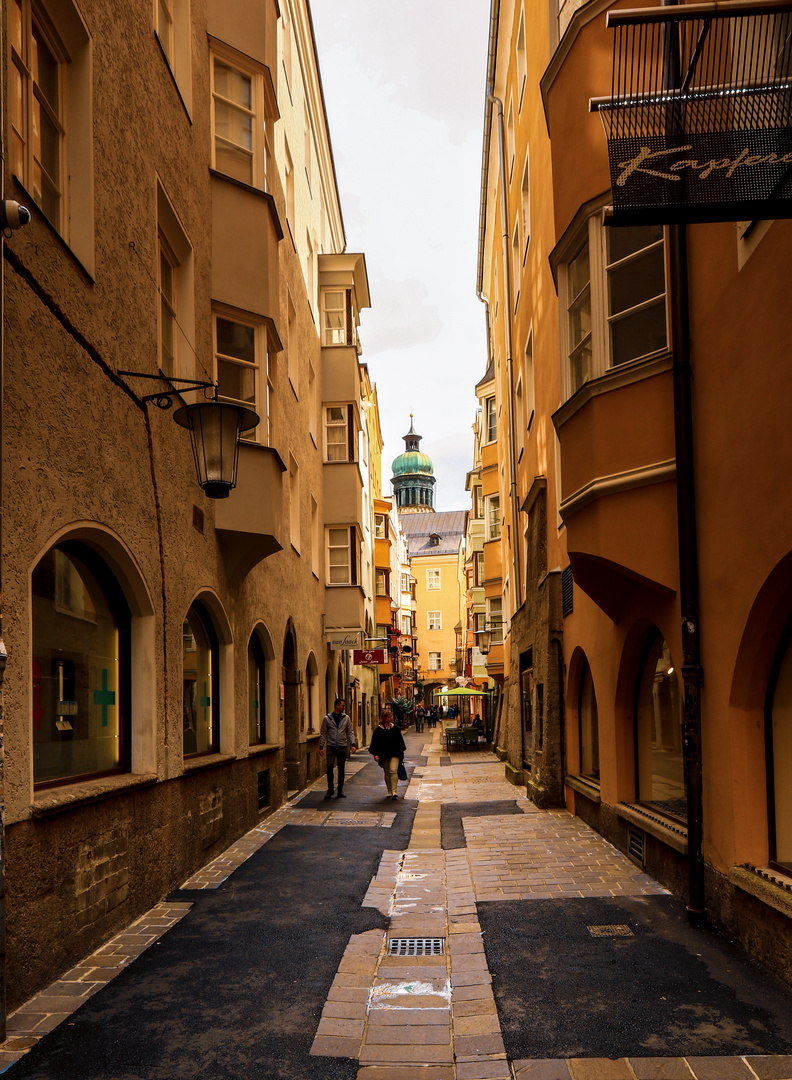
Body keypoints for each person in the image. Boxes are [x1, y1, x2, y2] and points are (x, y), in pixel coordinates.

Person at [319, 697, 356, 799]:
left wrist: (353, 744)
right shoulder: (327, 718)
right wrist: (321, 746)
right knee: (329, 767)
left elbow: (350, 732)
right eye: (342, 705)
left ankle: (340, 790)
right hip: (331, 746)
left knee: (341, 768)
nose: (344, 707)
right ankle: (330, 789)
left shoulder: (346, 718)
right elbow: (323, 733)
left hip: (342, 746)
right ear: (337, 706)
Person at [369, 709, 406, 800]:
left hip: (395, 753)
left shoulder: (395, 728)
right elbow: (375, 743)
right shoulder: (379, 730)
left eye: (391, 716)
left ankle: (394, 791)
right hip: (384, 754)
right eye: (389, 717)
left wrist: (401, 752)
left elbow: (400, 741)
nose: (391, 718)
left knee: (393, 770)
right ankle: (389, 790)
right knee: (387, 771)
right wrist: (375, 754)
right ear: (384, 718)